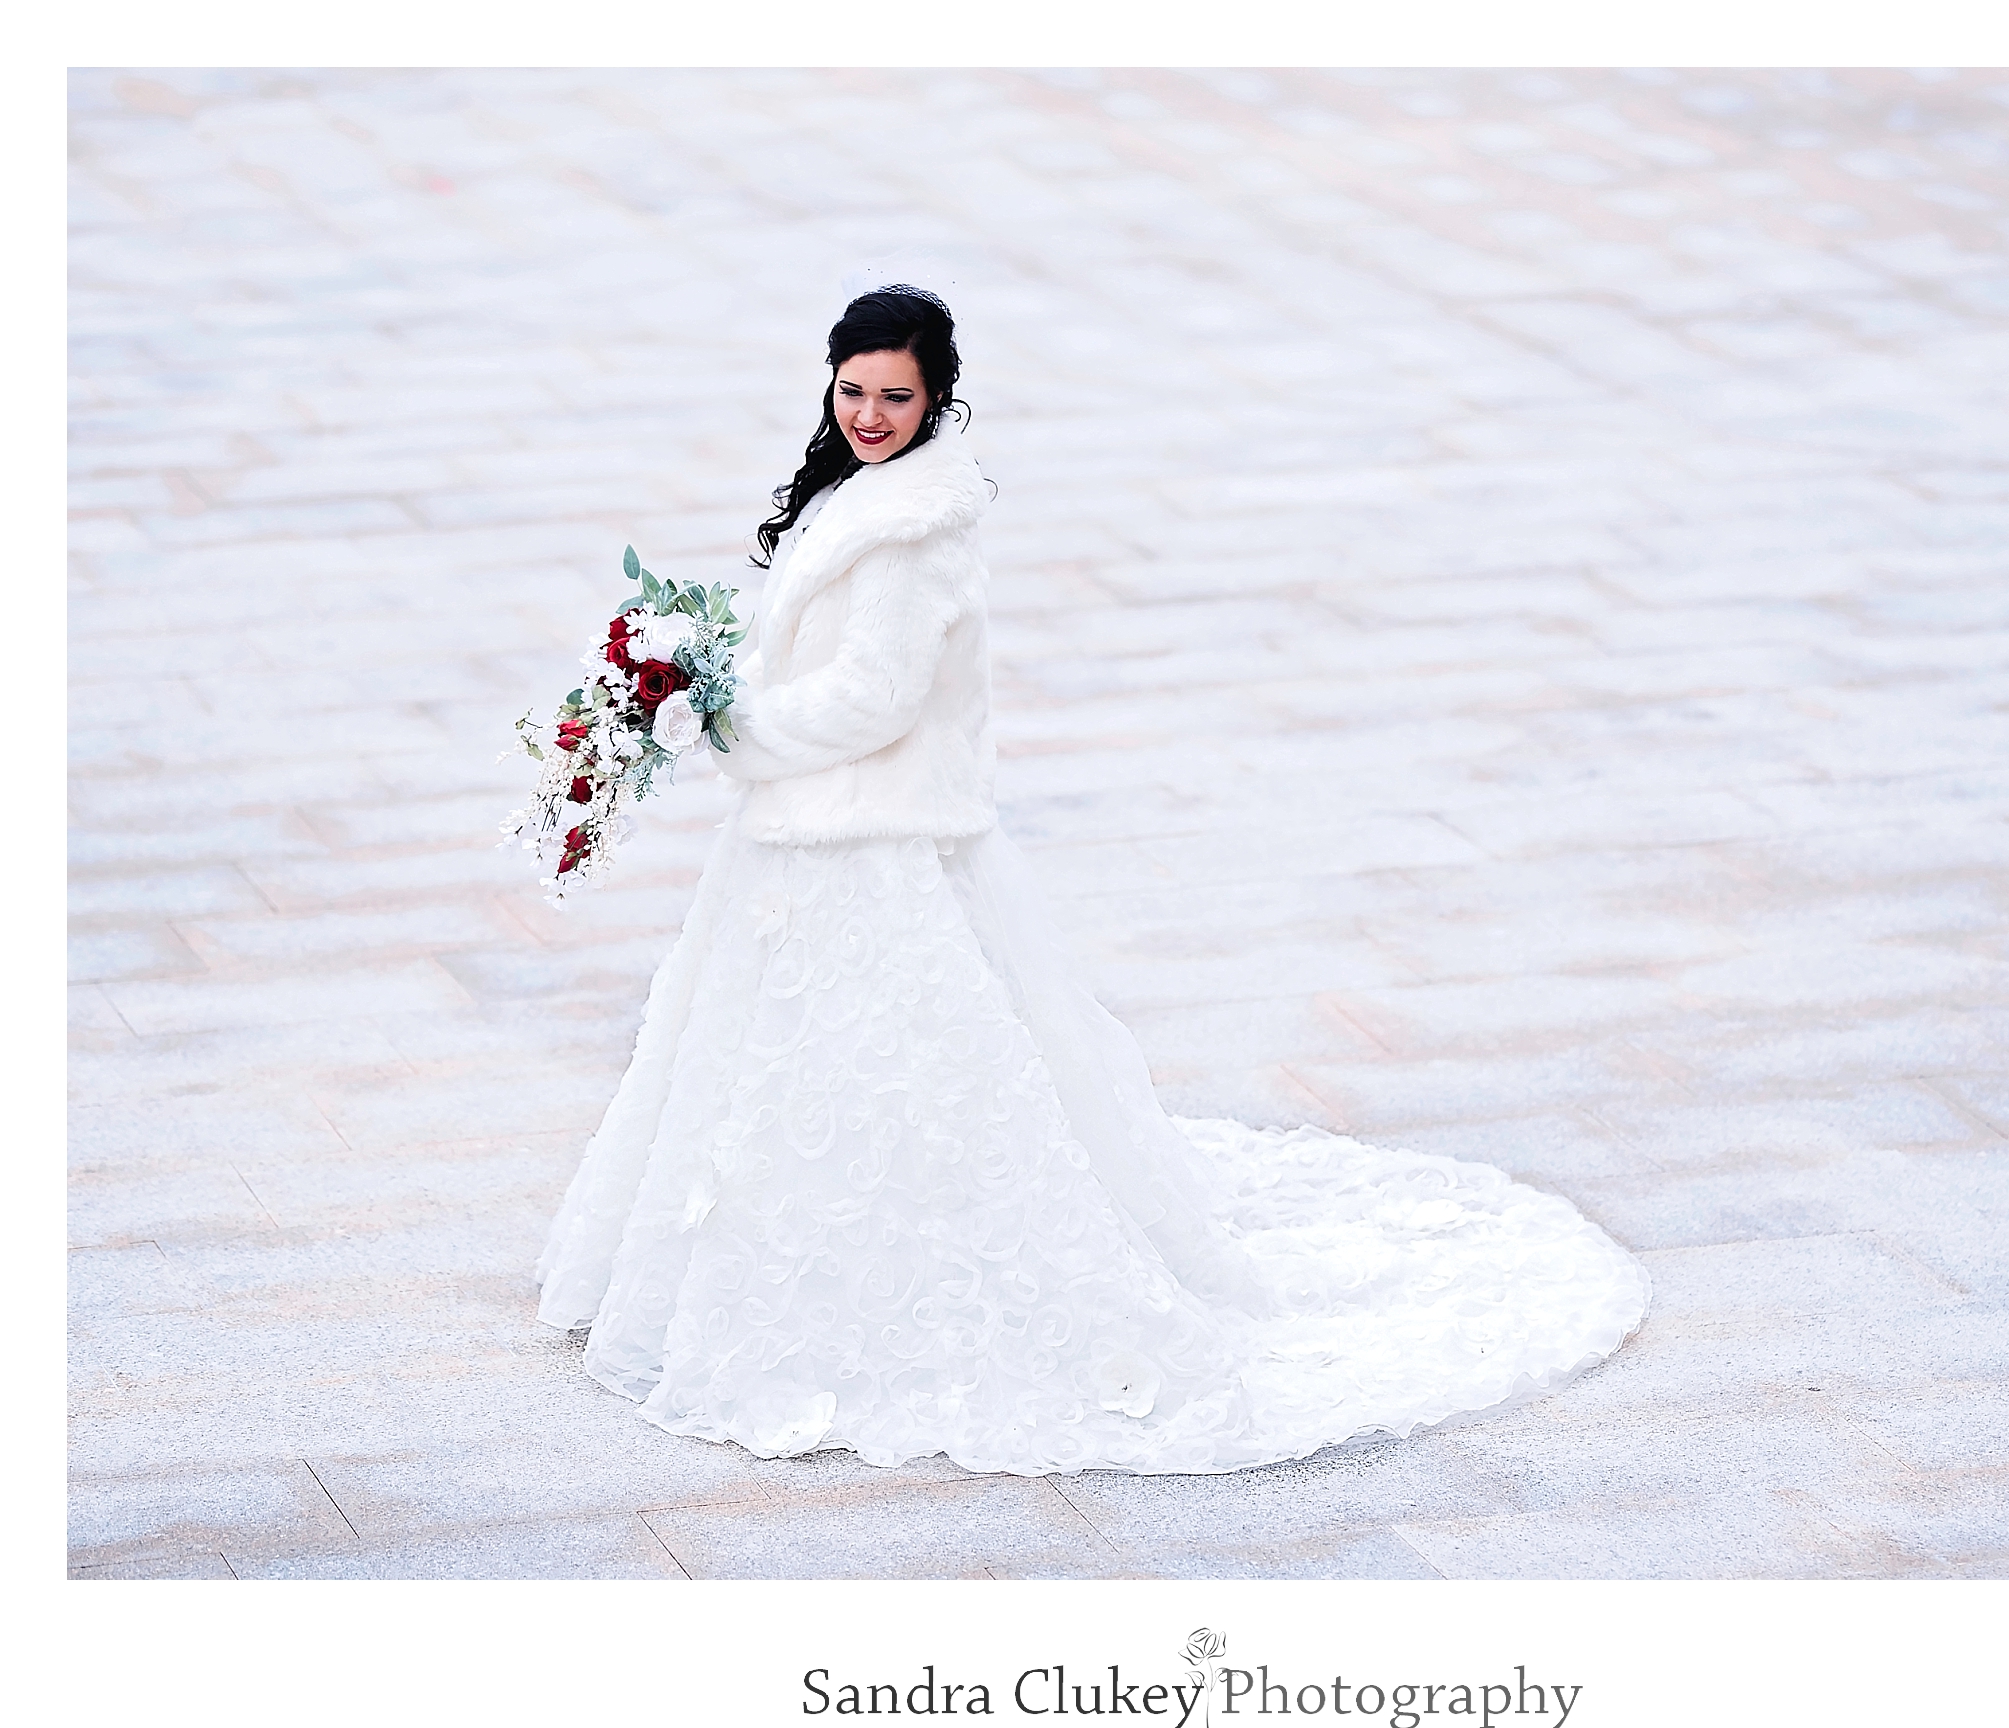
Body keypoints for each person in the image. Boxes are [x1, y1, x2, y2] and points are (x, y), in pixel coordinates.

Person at [533, 285, 1649, 1475]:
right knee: (810, 1075)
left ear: (936, 396)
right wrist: (692, 678)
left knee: (905, 1069)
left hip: (869, 834)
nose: (868, 414)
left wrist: (737, 728)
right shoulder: (853, 498)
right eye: (852, 391)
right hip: (807, 828)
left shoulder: (912, 532)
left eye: (894, 396)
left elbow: (876, 697)